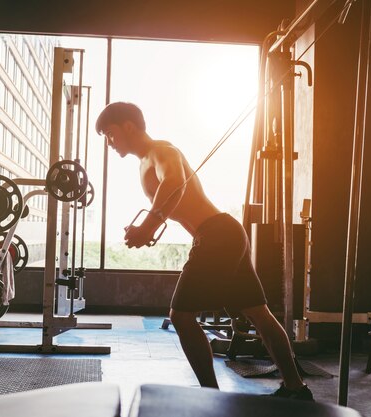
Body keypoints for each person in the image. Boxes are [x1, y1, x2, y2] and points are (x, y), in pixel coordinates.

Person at [95, 101, 313, 401]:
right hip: (222, 233)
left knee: (181, 316)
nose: (109, 142)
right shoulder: (144, 161)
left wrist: (148, 225)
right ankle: (295, 388)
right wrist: (149, 227)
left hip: (218, 235)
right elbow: (172, 200)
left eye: (110, 133)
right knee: (258, 313)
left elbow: (174, 184)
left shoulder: (162, 151)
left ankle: (211, 396)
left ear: (129, 126)